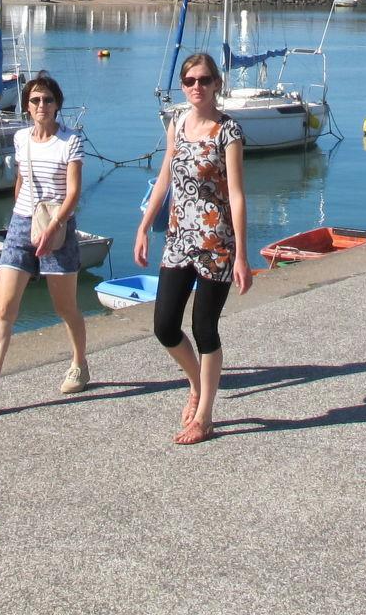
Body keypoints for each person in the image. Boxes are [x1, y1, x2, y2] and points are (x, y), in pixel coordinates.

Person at [0, 73, 89, 414]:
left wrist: (54, 226)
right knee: (4, 309)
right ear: (27, 106)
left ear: (57, 104)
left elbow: (73, 192)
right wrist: (18, 218)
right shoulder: (20, 139)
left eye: (47, 100)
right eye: (34, 100)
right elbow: (21, 181)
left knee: (65, 307)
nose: (41, 106)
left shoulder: (70, 141)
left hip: (57, 227)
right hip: (21, 225)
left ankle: (79, 363)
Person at [135, 50, 251, 445]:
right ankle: (196, 384)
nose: (197, 87)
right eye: (189, 82)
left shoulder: (228, 132)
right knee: (165, 325)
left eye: (204, 80)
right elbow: (165, 176)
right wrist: (144, 225)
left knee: (204, 327)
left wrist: (243, 256)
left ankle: (205, 416)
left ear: (216, 83)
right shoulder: (178, 123)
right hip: (178, 240)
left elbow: (236, 195)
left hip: (215, 242)